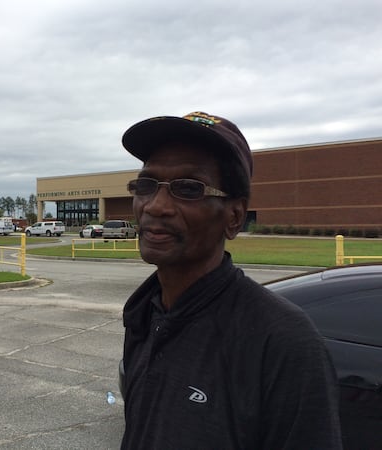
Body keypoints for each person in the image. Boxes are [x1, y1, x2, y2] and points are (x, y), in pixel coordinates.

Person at [119, 112, 342, 449]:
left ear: (234, 217)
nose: (156, 206)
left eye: (188, 189)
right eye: (147, 185)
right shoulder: (145, 315)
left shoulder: (283, 342)